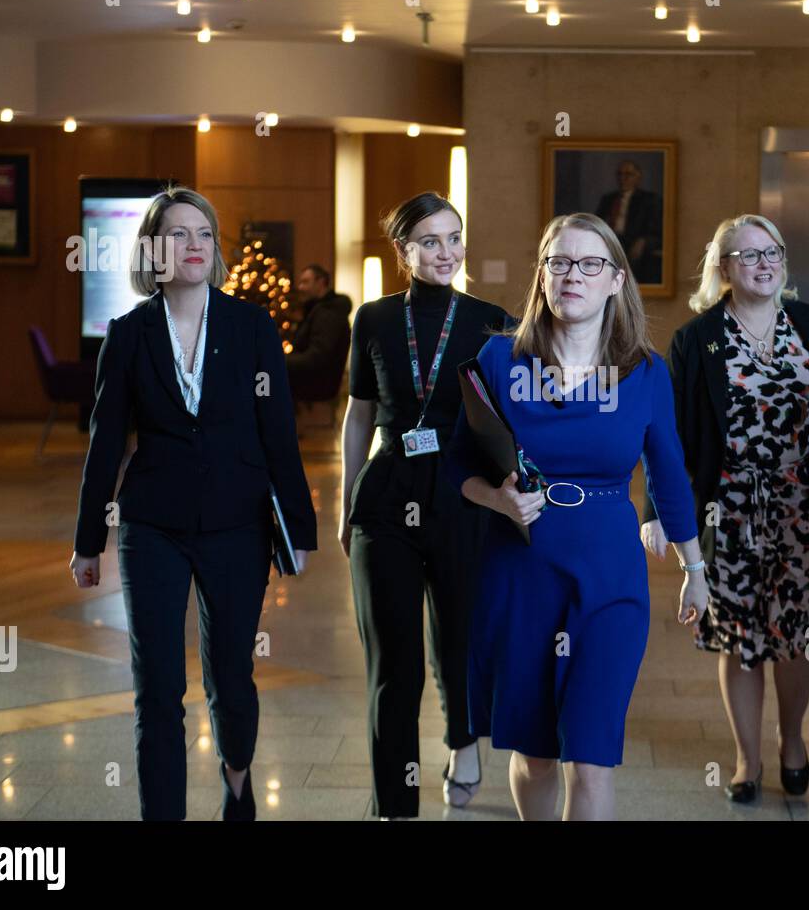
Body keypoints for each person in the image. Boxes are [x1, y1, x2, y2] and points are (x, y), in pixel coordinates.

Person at [446, 212, 708, 821]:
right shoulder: (498, 359)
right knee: (536, 754)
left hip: (610, 574)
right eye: (558, 261)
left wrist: (696, 567)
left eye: (590, 264)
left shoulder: (645, 371)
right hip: (520, 567)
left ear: (616, 280)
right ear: (541, 274)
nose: (572, 276)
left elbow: (669, 475)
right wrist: (497, 499)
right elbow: (457, 464)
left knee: (590, 757)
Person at [69, 184, 317, 821]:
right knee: (157, 689)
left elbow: (278, 434)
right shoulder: (127, 336)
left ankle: (238, 781)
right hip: (151, 525)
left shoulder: (252, 326)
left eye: (204, 233)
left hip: (239, 526)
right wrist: (87, 542)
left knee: (231, 678)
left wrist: (301, 531)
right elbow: (105, 444)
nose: (195, 244)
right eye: (179, 234)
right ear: (154, 249)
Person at [640, 214, 809, 802]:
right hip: (730, 511)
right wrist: (659, 513)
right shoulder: (698, 340)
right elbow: (671, 438)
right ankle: (746, 758)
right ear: (723, 268)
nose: (764, 263)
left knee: (799, 635)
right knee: (739, 635)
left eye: (772, 252)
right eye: (748, 256)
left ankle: (791, 738)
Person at [339, 192, 508, 819]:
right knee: (393, 661)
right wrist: (346, 499)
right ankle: (395, 806)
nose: (447, 252)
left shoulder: (492, 321)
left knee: (458, 639)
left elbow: (506, 421)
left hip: (466, 496)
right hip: (386, 497)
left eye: (455, 238)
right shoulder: (375, 319)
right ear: (405, 251)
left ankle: (463, 740)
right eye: (431, 241)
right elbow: (359, 416)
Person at [285, 263, 353, 403]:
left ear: (321, 282)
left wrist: (280, 360)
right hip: (312, 392)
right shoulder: (321, 310)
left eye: (306, 282)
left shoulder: (328, 313)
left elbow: (317, 358)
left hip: (314, 394)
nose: (300, 287)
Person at [594, 160, 662, 285]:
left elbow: (657, 230)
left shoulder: (650, 200)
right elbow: (596, 224)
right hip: (612, 241)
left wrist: (643, 241)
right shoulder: (608, 199)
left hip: (635, 243)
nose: (623, 178)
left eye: (628, 174)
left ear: (638, 178)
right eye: (620, 174)